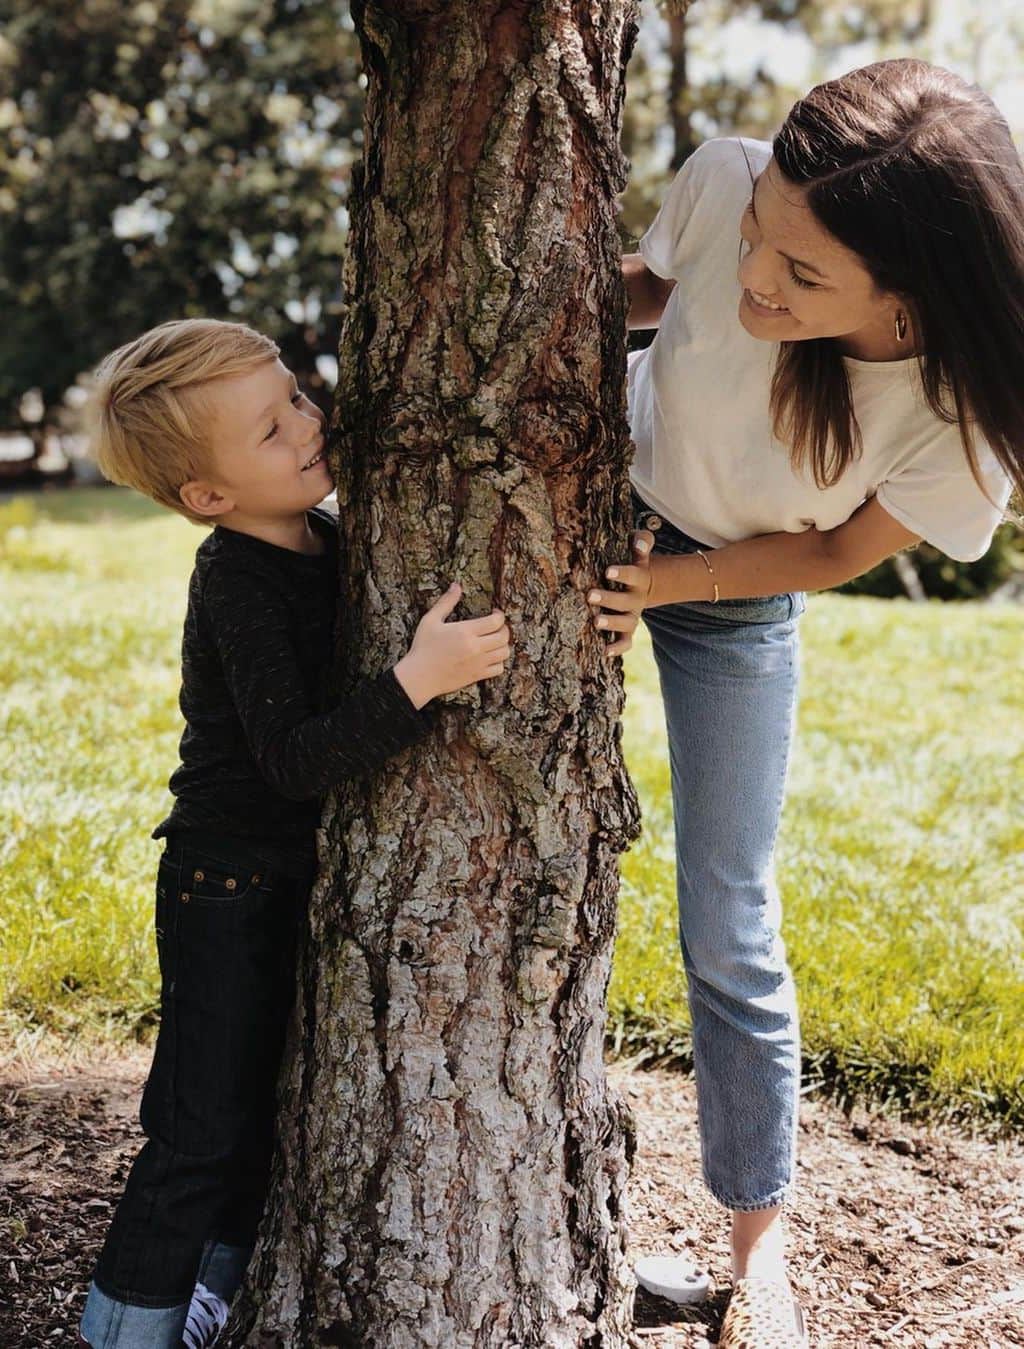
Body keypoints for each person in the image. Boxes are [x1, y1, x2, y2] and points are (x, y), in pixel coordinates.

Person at [588, 59, 1022, 1347]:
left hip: (734, 589)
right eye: (760, 239)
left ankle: (756, 1244)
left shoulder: (959, 416)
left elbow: (832, 554)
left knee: (729, 914)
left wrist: (668, 584)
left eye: (802, 275)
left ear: (910, 295)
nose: (755, 279)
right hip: (575, 507)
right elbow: (644, 296)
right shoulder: (728, 181)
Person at [77, 319, 513, 1349]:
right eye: (272, 431)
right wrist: (420, 680)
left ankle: (212, 1300)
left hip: (287, 882)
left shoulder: (329, 537)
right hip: (222, 887)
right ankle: (123, 1328)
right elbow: (291, 757)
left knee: (266, 1112)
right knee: (197, 1130)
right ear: (209, 497)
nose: (309, 426)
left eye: (297, 400)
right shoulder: (235, 576)